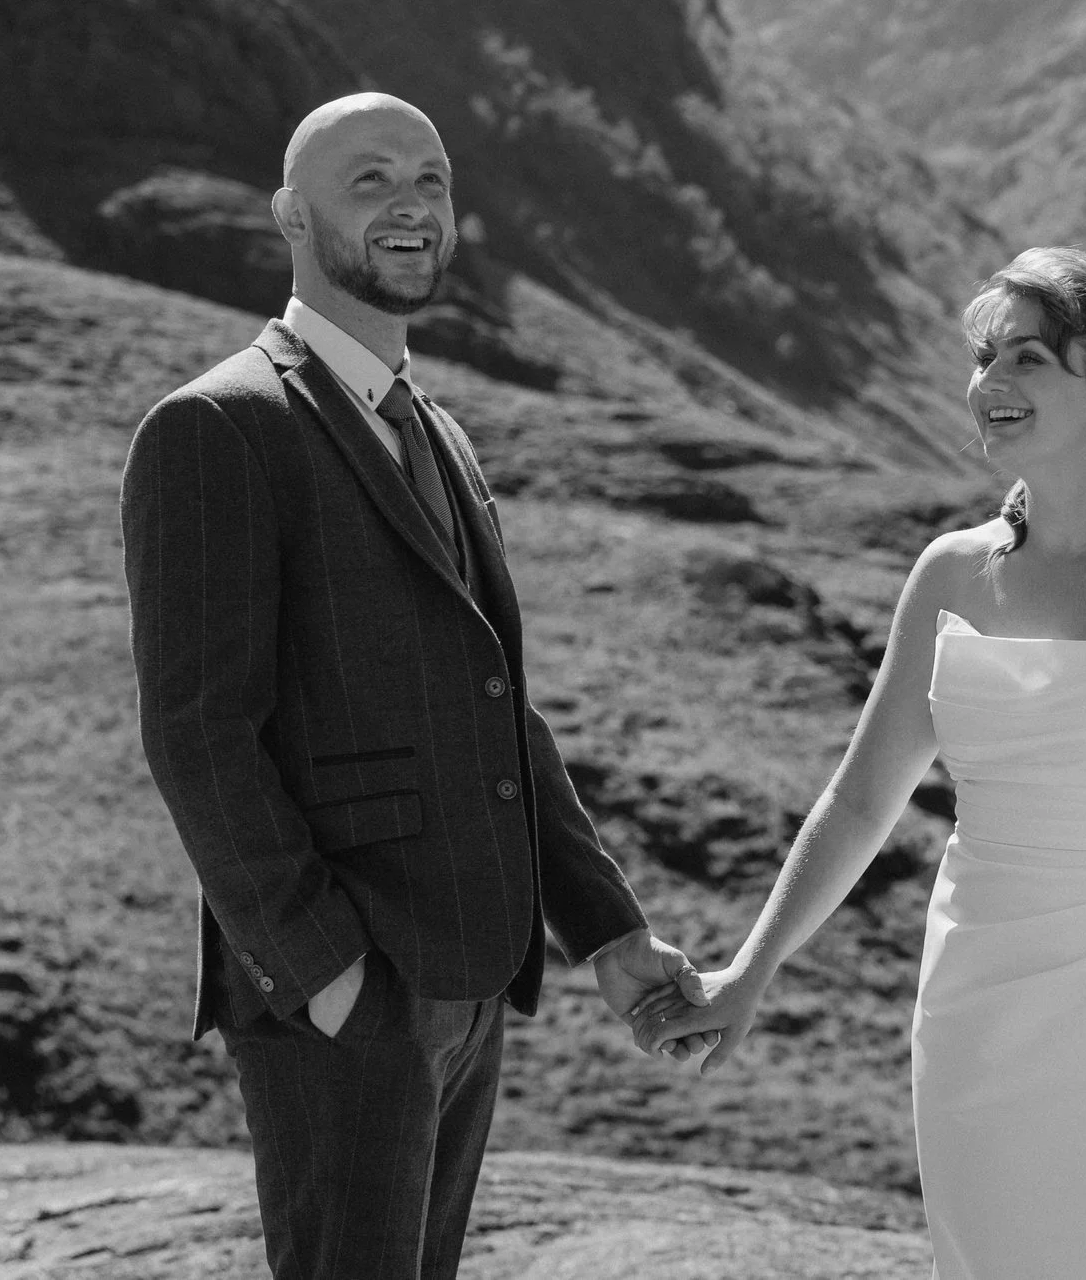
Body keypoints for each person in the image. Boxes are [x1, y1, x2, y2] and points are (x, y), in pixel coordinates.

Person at [120, 92, 705, 1280]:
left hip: (469, 984)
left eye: (430, 180)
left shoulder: (434, 429)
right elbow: (196, 733)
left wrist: (607, 929)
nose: (410, 206)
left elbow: (498, 705)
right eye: (370, 179)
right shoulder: (215, 427)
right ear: (292, 215)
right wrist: (330, 978)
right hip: (346, 997)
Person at [636, 246, 1086, 1280]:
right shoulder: (948, 573)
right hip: (974, 1002)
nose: (988, 384)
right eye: (985, 357)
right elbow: (858, 801)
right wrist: (747, 972)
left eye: (1027, 357)